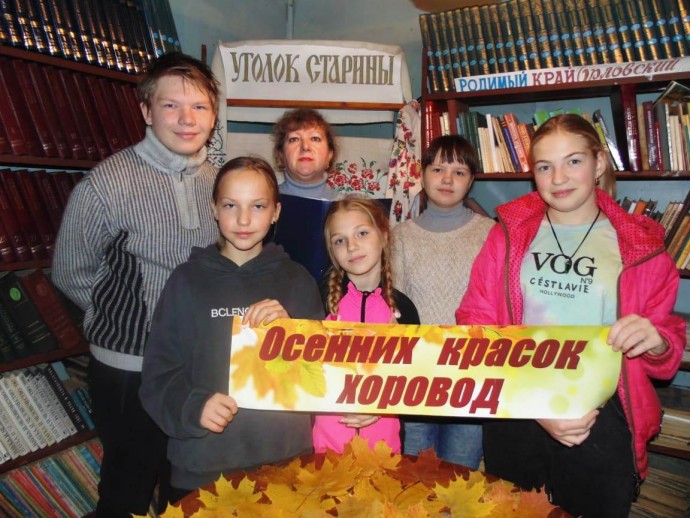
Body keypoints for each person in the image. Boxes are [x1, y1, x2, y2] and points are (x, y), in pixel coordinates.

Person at [456, 114, 685, 517]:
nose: (558, 178)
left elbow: (665, 345)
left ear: (599, 163)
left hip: (602, 417)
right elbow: (476, 326)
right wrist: (535, 406)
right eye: (545, 166)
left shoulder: (641, 244)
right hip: (518, 407)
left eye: (573, 161)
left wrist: (656, 340)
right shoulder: (507, 234)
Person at [52, 52, 221, 517]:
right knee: (126, 494)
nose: (187, 119)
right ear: (147, 111)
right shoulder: (105, 184)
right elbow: (69, 270)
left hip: (196, 370)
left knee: (186, 491)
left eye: (200, 107)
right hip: (130, 373)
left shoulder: (221, 183)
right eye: (171, 106)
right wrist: (121, 318)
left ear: (213, 116)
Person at [140, 156, 324, 503]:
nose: (243, 219)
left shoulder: (298, 281)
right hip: (203, 465)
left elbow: (320, 375)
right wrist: (194, 406)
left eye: (258, 206)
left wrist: (292, 333)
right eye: (230, 205)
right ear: (214, 208)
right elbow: (158, 375)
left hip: (285, 462)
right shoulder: (186, 281)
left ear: (276, 212)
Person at [392, 135, 494, 469]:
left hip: (471, 379)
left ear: (471, 181)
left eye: (459, 172)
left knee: (460, 480)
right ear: (422, 175)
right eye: (437, 169)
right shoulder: (400, 236)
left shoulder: (491, 234)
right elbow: (395, 312)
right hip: (415, 379)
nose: (447, 179)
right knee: (412, 480)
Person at [313, 196, 420, 453]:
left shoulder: (404, 309)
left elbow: (415, 384)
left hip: (384, 451)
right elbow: (301, 374)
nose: (352, 246)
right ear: (332, 251)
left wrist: (380, 402)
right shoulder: (317, 302)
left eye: (362, 233)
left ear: (384, 236)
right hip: (327, 451)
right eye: (339, 240)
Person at [272, 108, 340, 200]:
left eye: (315, 138)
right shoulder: (266, 202)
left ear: (330, 155)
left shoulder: (348, 205)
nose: (305, 147)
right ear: (281, 155)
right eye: (294, 139)